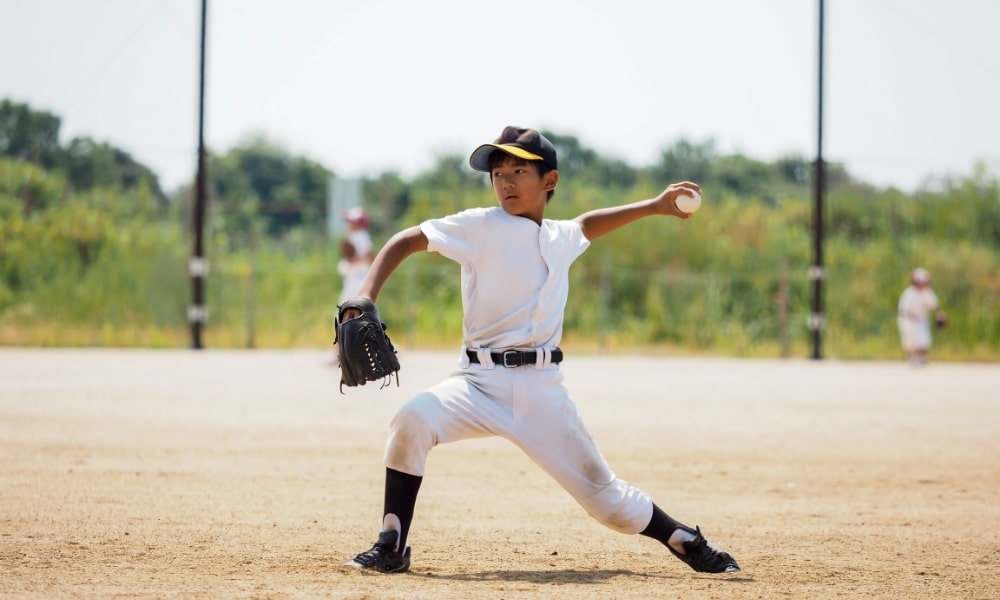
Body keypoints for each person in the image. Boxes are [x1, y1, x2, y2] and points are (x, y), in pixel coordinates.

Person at [342, 126, 740, 575]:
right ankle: (392, 542)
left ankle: (683, 539)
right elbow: (404, 241)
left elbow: (587, 225)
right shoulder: (480, 226)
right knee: (414, 418)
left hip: (542, 393)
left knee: (608, 502)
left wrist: (654, 206)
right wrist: (365, 297)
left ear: (549, 180)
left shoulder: (560, 237)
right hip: (476, 383)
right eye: (497, 173)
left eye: (518, 170)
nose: (506, 182)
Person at [897, 267, 946, 365]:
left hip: (920, 318)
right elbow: (904, 310)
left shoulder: (928, 292)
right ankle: (911, 358)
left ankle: (922, 357)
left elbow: (934, 306)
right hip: (907, 319)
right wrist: (914, 319)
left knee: (923, 339)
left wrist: (940, 316)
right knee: (910, 340)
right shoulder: (909, 293)